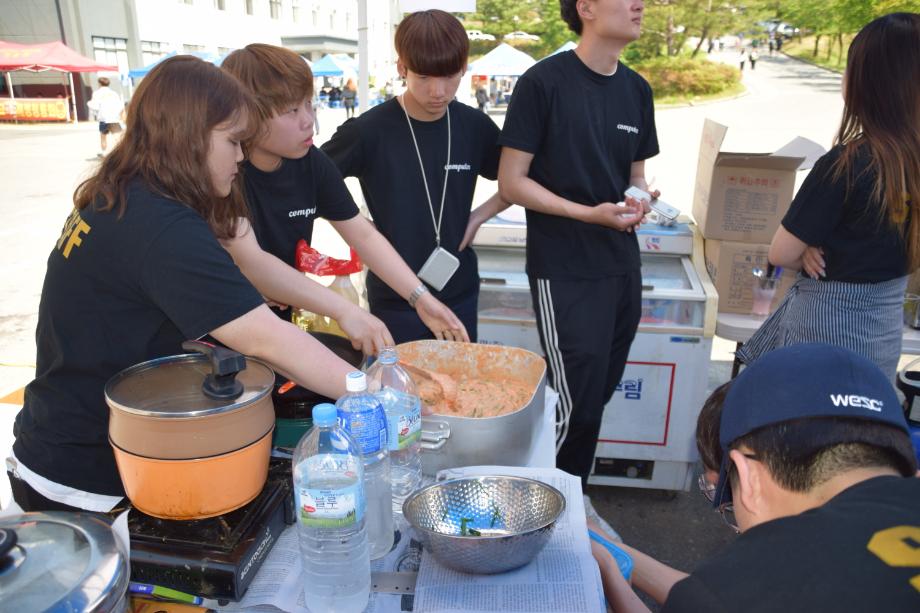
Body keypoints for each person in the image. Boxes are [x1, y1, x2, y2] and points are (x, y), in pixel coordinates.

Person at [7, 56, 357, 514]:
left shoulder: (127, 192)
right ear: (190, 136)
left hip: (69, 436)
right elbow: (266, 340)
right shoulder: (161, 225)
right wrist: (370, 393)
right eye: (232, 141)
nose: (240, 157)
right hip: (83, 474)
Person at [594, 343, 920, 612]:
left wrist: (609, 569)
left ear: (749, 477)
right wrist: (615, 558)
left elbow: (727, 595)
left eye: (727, 499)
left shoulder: (743, 590)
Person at [497, 0, 658, 483]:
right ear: (585, 7)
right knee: (575, 406)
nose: (638, 5)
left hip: (622, 264)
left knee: (595, 396)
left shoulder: (637, 89)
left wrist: (640, 200)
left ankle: (567, 499)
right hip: (565, 267)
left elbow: (635, 176)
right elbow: (512, 182)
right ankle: (557, 504)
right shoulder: (543, 83)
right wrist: (587, 214)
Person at [221, 44, 468, 347]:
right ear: (247, 117)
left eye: (309, 104)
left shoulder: (311, 162)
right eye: (292, 111)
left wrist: (420, 298)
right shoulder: (225, 171)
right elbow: (252, 262)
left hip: (278, 321)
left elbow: (363, 235)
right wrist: (345, 310)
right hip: (223, 328)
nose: (308, 120)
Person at [738, 13, 920, 381]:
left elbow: (780, 253)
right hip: (883, 336)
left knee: (809, 415)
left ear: (867, 83)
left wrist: (808, 243)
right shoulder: (910, 162)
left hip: (823, 334)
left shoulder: (846, 164)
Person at [321, 10, 507, 344]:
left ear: (464, 68)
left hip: (460, 291)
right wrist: (361, 227)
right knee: (399, 377)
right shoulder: (368, 131)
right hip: (395, 299)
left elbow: (517, 178)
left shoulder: (474, 126)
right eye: (423, 77)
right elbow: (312, 180)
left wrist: (479, 215)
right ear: (402, 68)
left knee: (460, 376)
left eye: (449, 76)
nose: (438, 91)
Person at [86, 76, 124, 157]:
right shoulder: (114, 93)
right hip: (114, 118)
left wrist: (89, 104)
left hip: (103, 118)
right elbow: (120, 105)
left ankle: (104, 152)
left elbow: (94, 106)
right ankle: (121, 151)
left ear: (99, 83)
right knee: (117, 136)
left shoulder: (97, 93)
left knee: (103, 136)